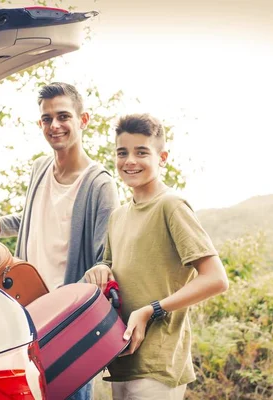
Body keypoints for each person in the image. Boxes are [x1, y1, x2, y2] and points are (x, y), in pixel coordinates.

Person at [0, 82, 119, 400]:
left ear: (84, 120)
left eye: (63, 116)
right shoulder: (39, 168)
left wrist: (74, 309)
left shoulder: (99, 184)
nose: (55, 125)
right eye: (47, 118)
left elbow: (104, 257)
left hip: (66, 321)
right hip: (23, 308)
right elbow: (37, 218)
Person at [83, 113, 229, 400]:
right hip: (121, 358)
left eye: (141, 152)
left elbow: (216, 279)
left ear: (162, 157)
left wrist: (151, 309)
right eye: (122, 152)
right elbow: (112, 265)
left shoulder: (171, 206)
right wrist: (99, 269)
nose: (130, 161)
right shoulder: (119, 215)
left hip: (159, 364)